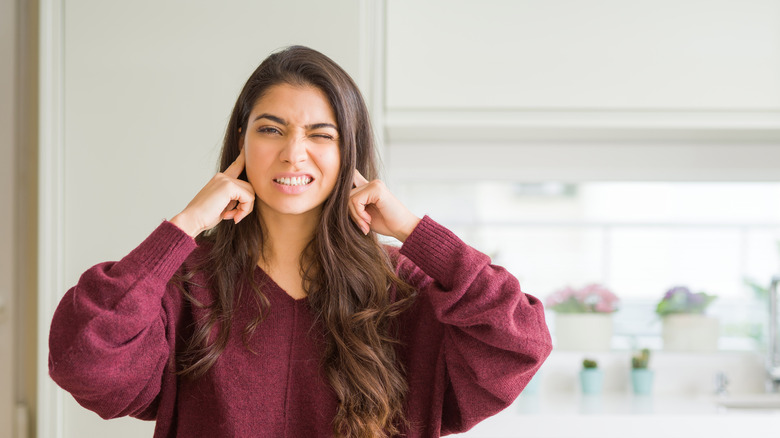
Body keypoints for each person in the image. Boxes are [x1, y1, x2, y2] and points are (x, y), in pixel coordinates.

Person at [49, 45, 552, 438]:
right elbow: (82, 359)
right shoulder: (185, 286)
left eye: (321, 134)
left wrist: (415, 232)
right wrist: (185, 224)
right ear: (242, 142)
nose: (294, 154)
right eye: (272, 130)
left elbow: (520, 343)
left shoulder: (403, 288)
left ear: (348, 152)